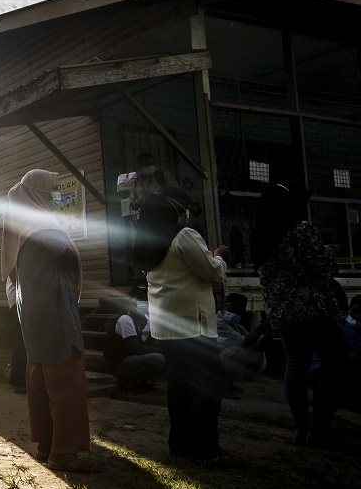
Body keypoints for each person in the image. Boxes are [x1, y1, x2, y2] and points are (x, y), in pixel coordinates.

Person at [2, 169, 96, 473]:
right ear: (36, 193)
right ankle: (63, 452)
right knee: (65, 378)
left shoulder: (21, 226)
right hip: (55, 310)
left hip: (33, 313)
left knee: (41, 377)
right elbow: (68, 256)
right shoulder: (41, 224)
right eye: (51, 190)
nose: (56, 196)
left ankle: (46, 445)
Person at [132, 186, 229, 460]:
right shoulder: (184, 235)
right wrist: (219, 255)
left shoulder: (146, 240)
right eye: (183, 208)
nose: (187, 213)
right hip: (192, 323)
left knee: (180, 385)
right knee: (211, 383)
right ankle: (206, 446)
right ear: (173, 210)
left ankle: (181, 443)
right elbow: (210, 270)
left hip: (166, 327)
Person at [251, 182, 347, 447]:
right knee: (335, 365)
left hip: (284, 314)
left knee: (295, 366)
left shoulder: (260, 236)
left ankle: (301, 428)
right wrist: (327, 255)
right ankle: (319, 430)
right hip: (313, 310)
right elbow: (322, 268)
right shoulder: (300, 229)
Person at [104, 290, 166, 392]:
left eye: (146, 300)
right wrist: (162, 350)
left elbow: (150, 342)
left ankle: (141, 382)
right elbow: (138, 349)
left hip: (135, 358)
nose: (145, 303)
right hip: (120, 362)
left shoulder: (146, 319)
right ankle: (127, 380)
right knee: (158, 358)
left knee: (164, 357)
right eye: (140, 300)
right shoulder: (126, 319)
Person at [215, 292, 268, 395]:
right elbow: (245, 342)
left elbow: (254, 342)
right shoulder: (218, 322)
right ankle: (222, 385)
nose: (234, 313)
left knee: (258, 356)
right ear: (223, 307)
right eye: (231, 309)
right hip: (209, 362)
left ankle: (229, 382)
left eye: (239, 312)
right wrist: (264, 325)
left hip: (219, 360)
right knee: (236, 351)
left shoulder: (237, 327)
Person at [7, 277, 27, 393]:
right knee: (21, 337)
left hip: (21, 294)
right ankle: (19, 381)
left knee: (22, 337)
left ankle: (20, 381)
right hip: (20, 295)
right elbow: (12, 272)